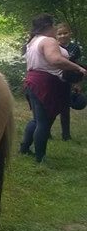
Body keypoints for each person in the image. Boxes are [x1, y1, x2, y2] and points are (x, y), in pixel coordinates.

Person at [19, 14, 87, 162]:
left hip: (34, 81)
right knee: (44, 122)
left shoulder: (33, 41)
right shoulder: (48, 41)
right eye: (54, 25)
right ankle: (40, 157)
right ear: (48, 26)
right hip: (46, 84)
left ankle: (24, 148)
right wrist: (78, 68)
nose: (55, 28)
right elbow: (55, 60)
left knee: (37, 120)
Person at [56, 23, 83, 140]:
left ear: (70, 33)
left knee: (65, 108)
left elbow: (77, 66)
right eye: (59, 34)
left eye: (65, 33)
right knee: (50, 107)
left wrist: (77, 83)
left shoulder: (75, 48)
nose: (62, 36)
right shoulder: (53, 47)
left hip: (67, 80)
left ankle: (66, 135)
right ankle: (46, 132)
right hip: (53, 79)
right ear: (55, 35)